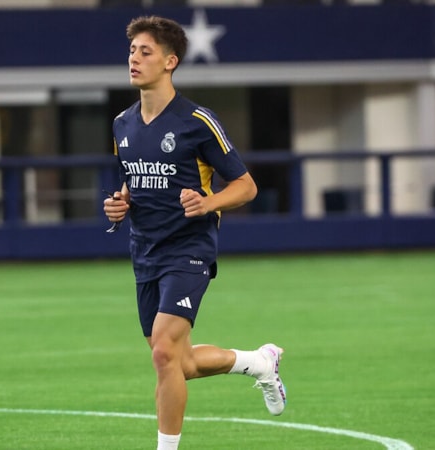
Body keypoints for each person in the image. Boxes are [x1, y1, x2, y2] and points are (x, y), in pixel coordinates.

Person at [102, 15, 287, 450]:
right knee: (176, 362)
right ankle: (259, 362)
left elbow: (246, 186)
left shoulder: (197, 121)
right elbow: (134, 182)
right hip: (145, 250)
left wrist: (209, 202)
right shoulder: (122, 124)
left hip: (189, 248)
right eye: (131, 51)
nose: (134, 59)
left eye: (145, 52)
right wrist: (120, 204)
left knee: (164, 353)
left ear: (170, 62)